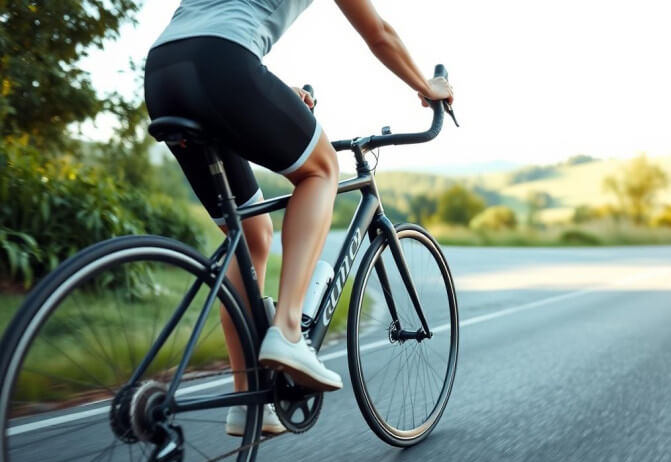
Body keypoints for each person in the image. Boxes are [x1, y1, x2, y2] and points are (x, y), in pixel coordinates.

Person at [143, 0, 454, 436]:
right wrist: (427, 86)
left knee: (250, 233)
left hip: (163, 72)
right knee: (322, 169)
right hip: (223, 61)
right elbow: (378, 33)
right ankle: (289, 330)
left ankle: (248, 402)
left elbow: (216, 25)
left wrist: (270, 89)